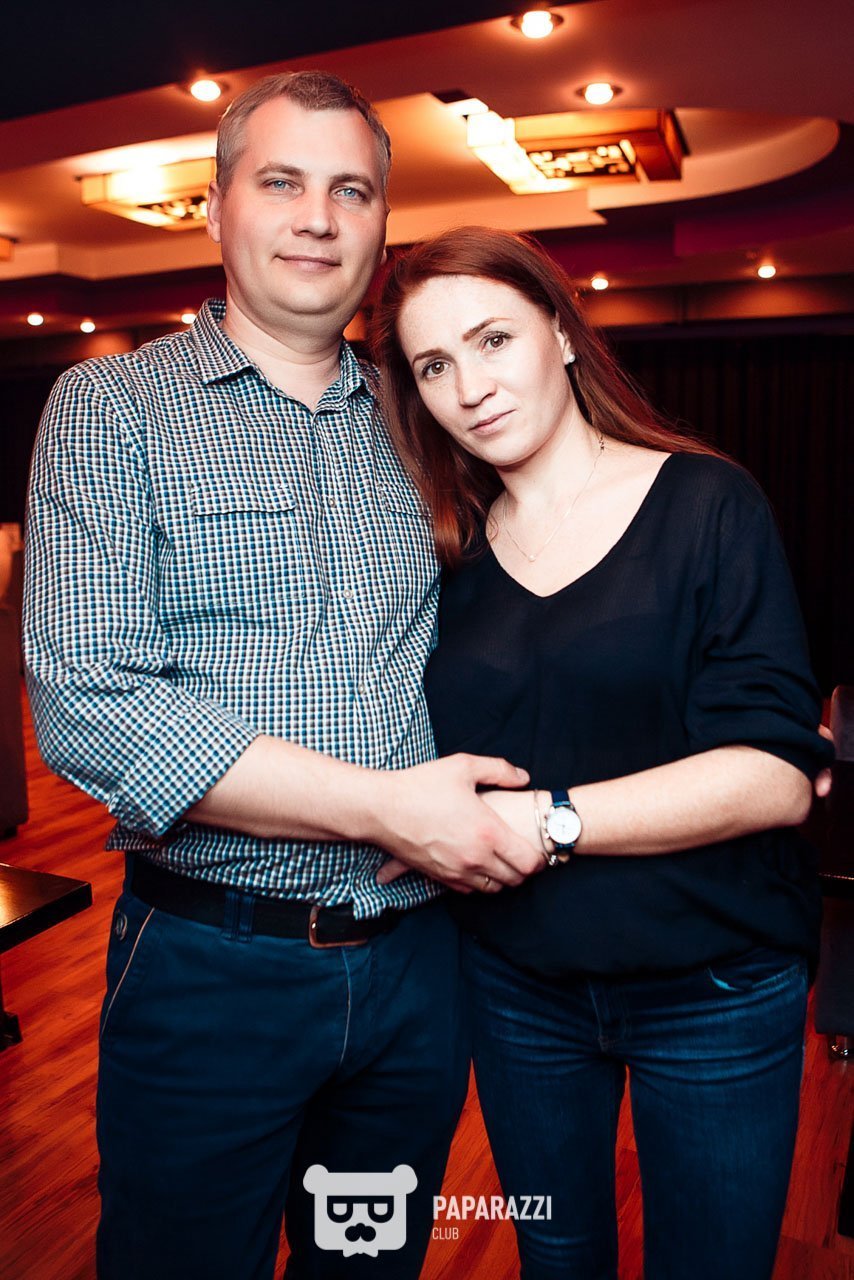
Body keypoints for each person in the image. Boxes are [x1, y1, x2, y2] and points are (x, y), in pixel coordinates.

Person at [22, 79, 544, 1280]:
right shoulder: (112, 407)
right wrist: (386, 808)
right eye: (281, 182)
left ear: (381, 224)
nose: (317, 216)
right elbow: (92, 703)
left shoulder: (426, 413)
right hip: (214, 967)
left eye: (350, 190)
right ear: (215, 210)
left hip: (419, 964)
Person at [371, 225, 835, 1280]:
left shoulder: (705, 503)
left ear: (563, 333)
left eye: (492, 339)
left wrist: (546, 821)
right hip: (516, 985)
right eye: (434, 366)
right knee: (557, 1256)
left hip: (710, 983)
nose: (469, 388)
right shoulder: (449, 554)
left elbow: (775, 776)